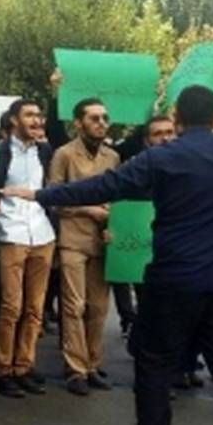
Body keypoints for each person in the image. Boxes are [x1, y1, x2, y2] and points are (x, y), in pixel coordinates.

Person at [8, 86, 213, 425]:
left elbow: (103, 186)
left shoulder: (162, 157)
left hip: (174, 278)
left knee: (155, 363)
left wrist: (40, 194)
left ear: (177, 118)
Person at [45, 98, 120, 396]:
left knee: (99, 308)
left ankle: (92, 364)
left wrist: (113, 217)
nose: (102, 123)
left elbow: (117, 195)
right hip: (72, 239)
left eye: (105, 118)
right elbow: (53, 198)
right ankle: (75, 368)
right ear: (78, 123)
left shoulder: (112, 157)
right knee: (73, 306)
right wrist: (90, 210)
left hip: (102, 241)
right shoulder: (64, 154)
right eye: (94, 118)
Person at [0, 98, 56, 398]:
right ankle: (2, 369)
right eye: (29, 115)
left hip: (42, 234)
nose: (36, 120)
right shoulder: (1, 152)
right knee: (11, 306)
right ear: (14, 119)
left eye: (38, 115)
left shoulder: (44, 151)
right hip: (11, 232)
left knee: (35, 308)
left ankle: (24, 366)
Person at [112, 115, 176, 338]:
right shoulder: (137, 166)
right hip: (134, 231)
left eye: (169, 132)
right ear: (147, 140)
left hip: (171, 243)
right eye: (158, 134)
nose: (165, 138)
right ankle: (131, 321)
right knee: (130, 278)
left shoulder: (190, 166)